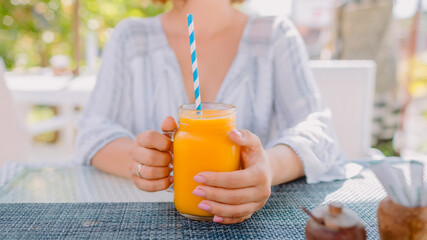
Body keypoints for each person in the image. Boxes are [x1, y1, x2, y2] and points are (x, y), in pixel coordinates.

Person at [75, 0, 345, 224]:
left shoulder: (275, 34)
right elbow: (92, 131)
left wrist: (267, 167)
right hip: (145, 220)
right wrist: (138, 159)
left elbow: (318, 130)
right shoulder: (131, 38)